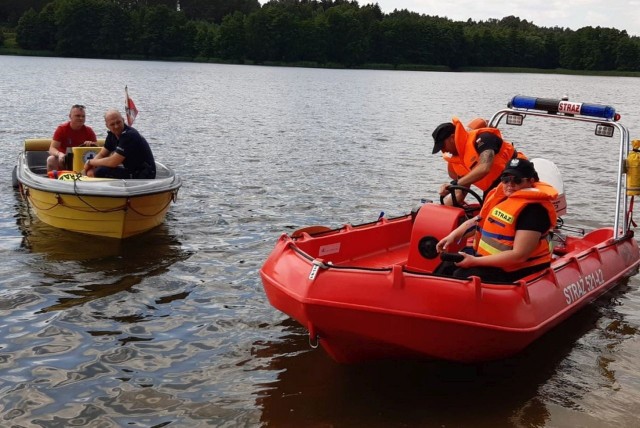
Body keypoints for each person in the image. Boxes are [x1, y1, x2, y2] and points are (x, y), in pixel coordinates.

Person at [435, 158, 557, 283]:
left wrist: (474, 261)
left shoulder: (533, 211)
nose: (510, 184)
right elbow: (478, 221)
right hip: (492, 261)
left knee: (461, 275)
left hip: (518, 268)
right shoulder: (502, 199)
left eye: (517, 180)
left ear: (531, 181)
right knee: (446, 267)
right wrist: (452, 236)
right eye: (505, 179)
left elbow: (519, 255)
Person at [431, 117, 526, 205]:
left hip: (516, 179)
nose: (443, 151)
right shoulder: (459, 160)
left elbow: (484, 168)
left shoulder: (484, 138)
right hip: (493, 188)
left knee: (489, 216)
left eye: (443, 146)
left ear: (452, 138)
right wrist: (443, 204)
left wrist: (455, 184)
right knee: (483, 212)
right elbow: (460, 194)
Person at [84, 109, 156, 179]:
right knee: (94, 170)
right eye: (112, 124)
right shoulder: (112, 135)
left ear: (123, 120)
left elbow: (113, 162)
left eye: (118, 122)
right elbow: (102, 154)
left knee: (100, 171)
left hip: (143, 173)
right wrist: (90, 167)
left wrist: (90, 162)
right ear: (107, 126)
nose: (116, 126)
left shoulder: (129, 135)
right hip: (130, 169)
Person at [47, 104, 98, 172]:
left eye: (83, 116)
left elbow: (98, 152)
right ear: (70, 116)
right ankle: (54, 181)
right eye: (78, 116)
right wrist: (59, 154)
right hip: (64, 161)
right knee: (51, 159)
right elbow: (52, 148)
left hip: (82, 162)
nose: (81, 118)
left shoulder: (89, 131)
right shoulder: (62, 129)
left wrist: (91, 146)